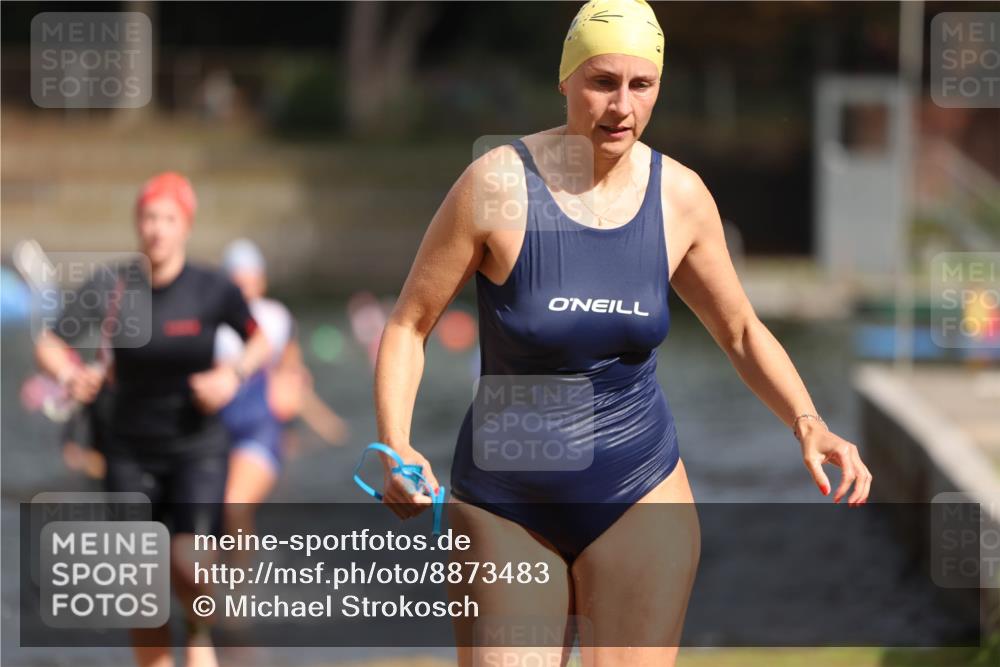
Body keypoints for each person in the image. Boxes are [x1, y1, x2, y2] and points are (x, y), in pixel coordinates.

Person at [372, 1, 873, 665]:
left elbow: (742, 331)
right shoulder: (497, 184)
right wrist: (395, 444)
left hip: (638, 487)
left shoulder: (681, 198)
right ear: (565, 81)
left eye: (642, 85)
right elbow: (410, 323)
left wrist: (807, 420)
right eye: (602, 82)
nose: (622, 107)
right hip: (506, 498)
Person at [35, 172, 271, 667]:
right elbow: (50, 342)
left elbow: (259, 339)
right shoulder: (112, 285)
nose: (156, 229)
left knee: (188, 563)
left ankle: (200, 630)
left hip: (196, 447)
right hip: (126, 449)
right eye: (148, 218)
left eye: (167, 219)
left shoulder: (213, 288)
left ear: (185, 225)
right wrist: (71, 373)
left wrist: (233, 376)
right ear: (137, 224)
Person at [215, 238, 347, 520]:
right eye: (237, 282)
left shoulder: (275, 318)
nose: (244, 288)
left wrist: (325, 423)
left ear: (261, 281)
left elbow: (294, 380)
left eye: (249, 280)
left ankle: (244, 564)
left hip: (261, 423)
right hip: (215, 428)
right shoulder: (209, 320)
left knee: (234, 505)